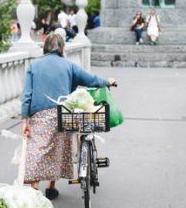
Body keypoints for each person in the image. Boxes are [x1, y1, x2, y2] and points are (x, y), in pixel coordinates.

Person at [21, 33, 116, 199]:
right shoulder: (68, 65)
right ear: (62, 48)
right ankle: (51, 188)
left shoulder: (34, 66)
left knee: (37, 151)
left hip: (39, 115)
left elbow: (27, 95)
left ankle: (34, 193)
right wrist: (108, 81)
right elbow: (91, 79)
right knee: (58, 150)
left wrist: (24, 120)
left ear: (45, 47)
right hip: (62, 113)